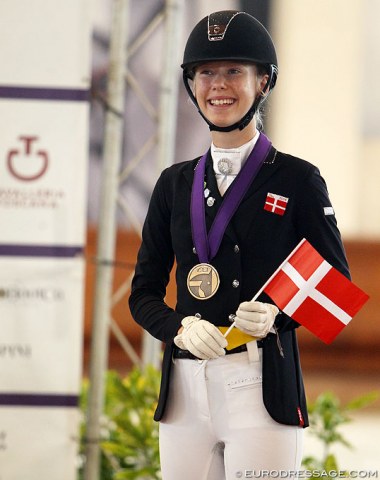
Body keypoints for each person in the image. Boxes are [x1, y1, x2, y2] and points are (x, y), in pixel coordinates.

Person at [129, 10, 350, 480]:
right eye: (206, 73)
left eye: (234, 71)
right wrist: (178, 329)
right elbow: (142, 295)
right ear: (191, 84)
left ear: (263, 81)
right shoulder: (174, 183)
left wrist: (278, 314)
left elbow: (336, 288)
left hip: (262, 382)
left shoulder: (297, 179)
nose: (218, 86)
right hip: (184, 392)